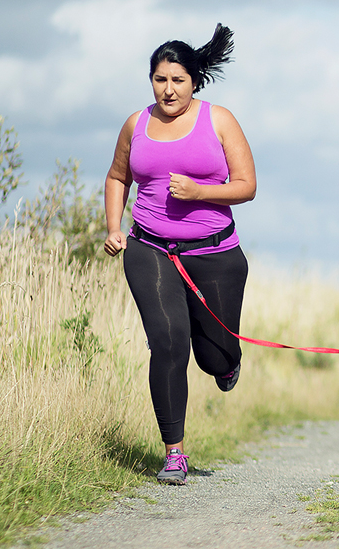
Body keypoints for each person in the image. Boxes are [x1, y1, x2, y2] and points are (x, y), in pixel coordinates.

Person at [103, 24, 257, 485]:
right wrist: (115, 227)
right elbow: (116, 178)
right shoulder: (137, 124)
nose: (168, 90)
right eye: (160, 79)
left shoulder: (220, 120)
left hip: (214, 254)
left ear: (195, 81)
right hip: (150, 249)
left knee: (212, 356)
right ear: (151, 80)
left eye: (178, 80)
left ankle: (228, 362)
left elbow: (247, 186)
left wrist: (199, 191)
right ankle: (174, 452)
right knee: (168, 342)